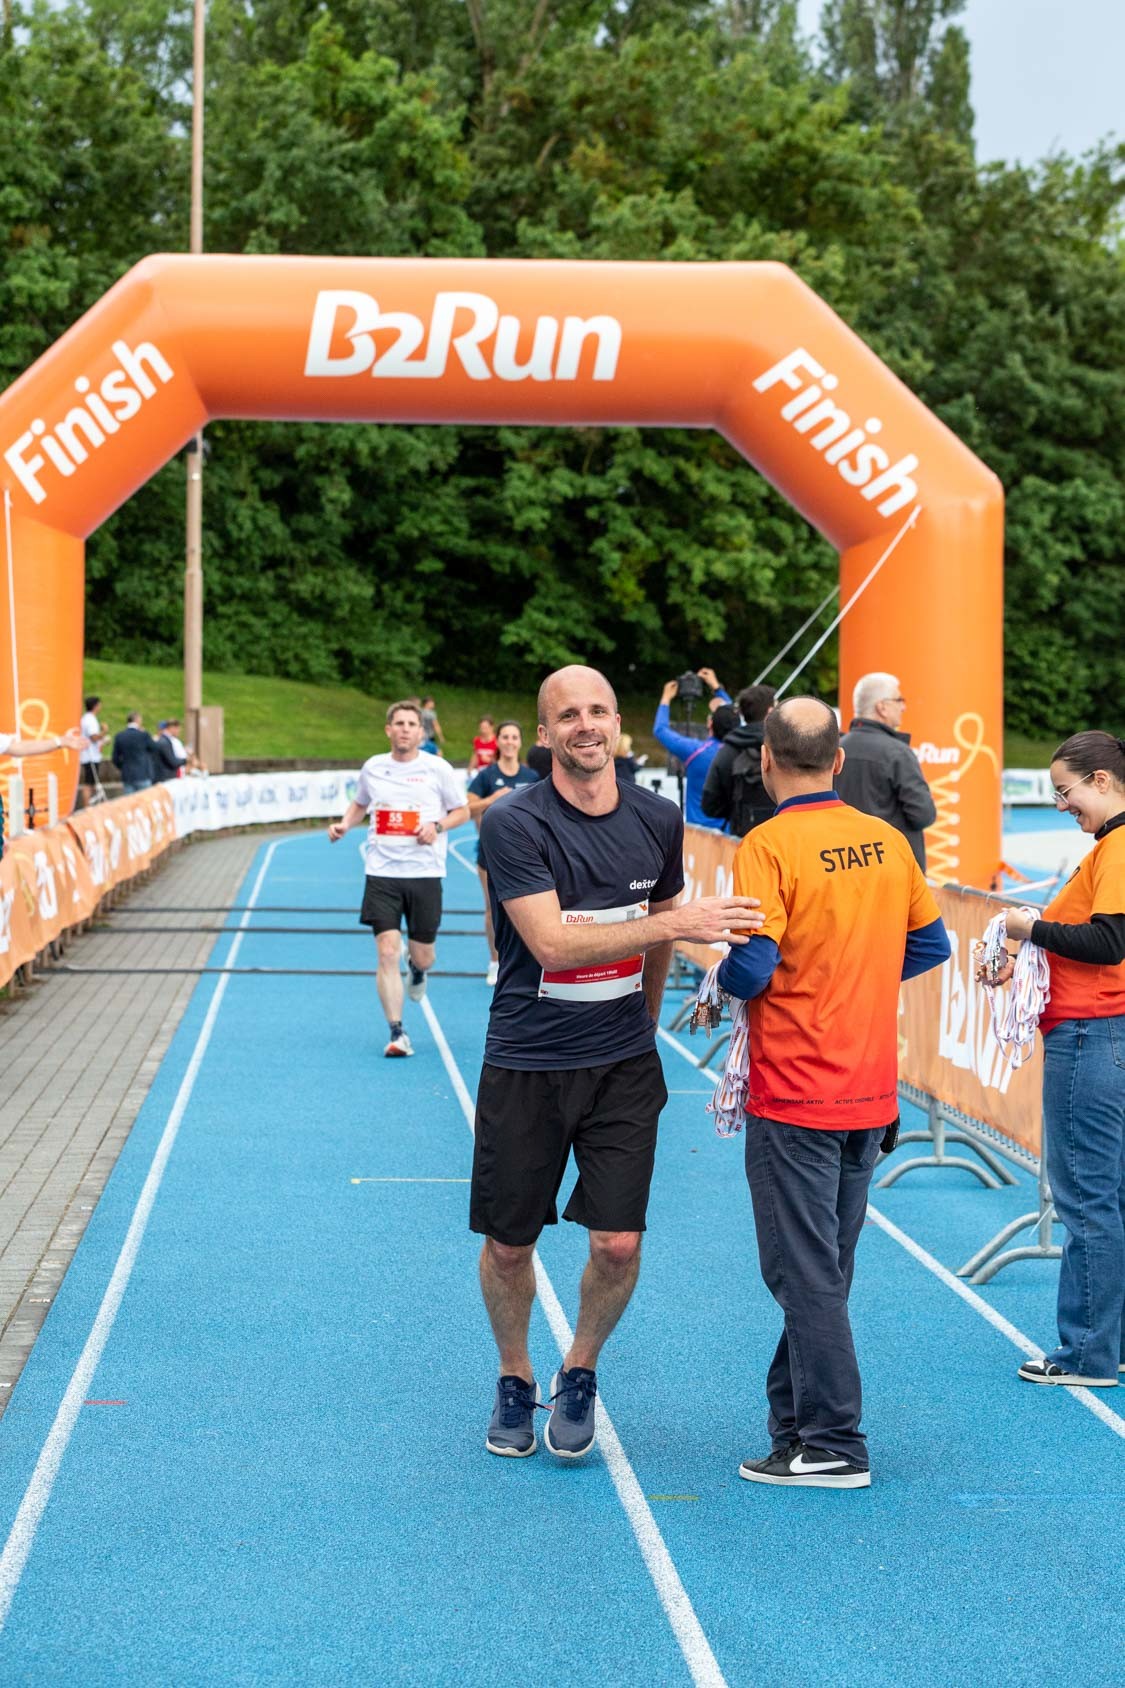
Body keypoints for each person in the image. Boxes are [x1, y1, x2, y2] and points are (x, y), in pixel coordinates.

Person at [471, 664, 764, 1461]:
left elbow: (661, 929)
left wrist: (645, 1020)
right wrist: (678, 923)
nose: (586, 725)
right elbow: (552, 944)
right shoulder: (513, 822)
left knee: (618, 1244)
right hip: (528, 1060)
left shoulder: (657, 817)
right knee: (509, 1245)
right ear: (544, 734)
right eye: (568, 715)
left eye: (598, 710)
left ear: (617, 725)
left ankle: (579, 1370)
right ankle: (513, 1375)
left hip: (622, 1064)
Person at [716, 697, 950, 1489]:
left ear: (766, 761)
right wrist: (856, 978)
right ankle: (793, 1429)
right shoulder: (886, 840)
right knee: (823, 1270)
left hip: (796, 1091)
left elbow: (753, 965)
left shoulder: (767, 844)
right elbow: (932, 943)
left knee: (803, 1274)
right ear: (838, 762)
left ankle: (834, 1442)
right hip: (869, 1090)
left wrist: (721, 979)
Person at [988, 731, 1125, 1390]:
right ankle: (1109, 1346)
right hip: (1104, 1032)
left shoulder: (1117, 846)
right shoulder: (1109, 847)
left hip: (1092, 1035)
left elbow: (1108, 941)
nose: (1061, 805)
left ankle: (1087, 1354)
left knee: (1088, 1200)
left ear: (1101, 780)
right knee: (1110, 1198)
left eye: (1065, 792)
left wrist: (1027, 929)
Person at [327, 700, 469, 1057]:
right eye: (399, 723)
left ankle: (417, 970)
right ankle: (397, 1032)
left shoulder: (437, 768)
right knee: (387, 951)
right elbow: (360, 803)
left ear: (421, 732)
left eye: (411, 724)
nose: (405, 729)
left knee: (424, 956)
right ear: (388, 730)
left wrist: (437, 827)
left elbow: (462, 811)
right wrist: (345, 823)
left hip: (425, 873)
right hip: (382, 873)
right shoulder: (373, 767)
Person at [835, 672, 937, 871]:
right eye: (899, 700)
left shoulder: (836, 750)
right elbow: (923, 814)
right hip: (892, 868)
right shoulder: (897, 753)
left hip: (844, 864)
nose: (903, 707)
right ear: (881, 707)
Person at [467, 721, 539, 987]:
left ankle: (526, 960)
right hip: (490, 853)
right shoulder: (486, 776)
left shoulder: (531, 777)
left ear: (520, 742)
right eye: (505, 737)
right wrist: (492, 799)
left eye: (514, 737)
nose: (509, 741)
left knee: (528, 909)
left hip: (524, 854)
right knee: (493, 908)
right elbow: (468, 808)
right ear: (497, 741)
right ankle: (495, 961)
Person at [651, 668, 733, 828]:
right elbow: (734, 717)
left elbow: (660, 730)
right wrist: (717, 687)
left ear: (710, 724)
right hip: (729, 834)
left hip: (698, 832)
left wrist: (666, 699)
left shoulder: (697, 751)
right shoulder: (740, 751)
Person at [701, 683, 776, 836]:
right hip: (782, 839)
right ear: (770, 712)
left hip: (743, 838)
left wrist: (737, 811)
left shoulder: (728, 750)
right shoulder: (784, 749)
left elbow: (709, 806)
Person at [112, 713, 156, 794]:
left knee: (130, 800)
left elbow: (115, 758)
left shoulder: (120, 736)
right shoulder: (144, 735)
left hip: (127, 775)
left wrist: (123, 767)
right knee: (145, 800)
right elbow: (154, 749)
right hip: (143, 774)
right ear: (137, 720)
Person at [77, 695, 109, 807]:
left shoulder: (86, 718)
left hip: (90, 755)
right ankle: (87, 808)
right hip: (90, 757)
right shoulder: (90, 719)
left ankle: (92, 806)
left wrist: (102, 741)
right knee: (88, 784)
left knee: (92, 783)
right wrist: (104, 731)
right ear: (95, 706)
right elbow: (94, 737)